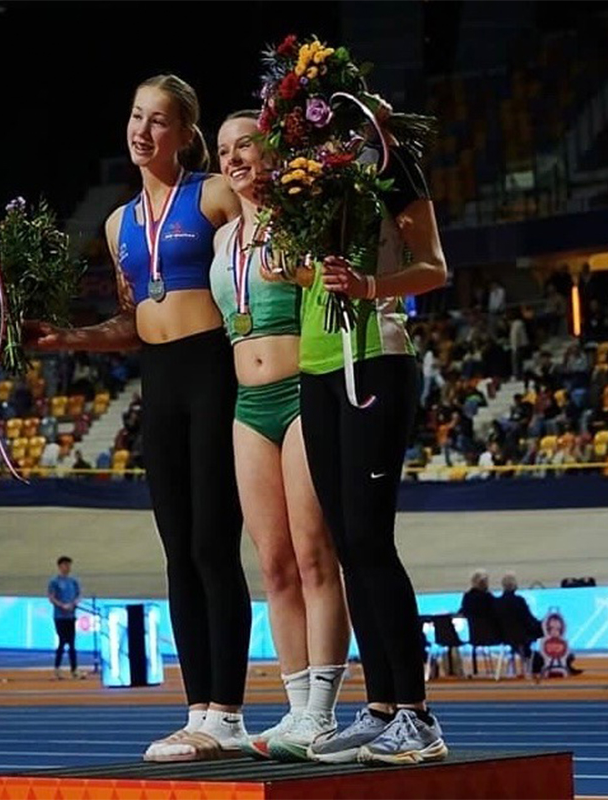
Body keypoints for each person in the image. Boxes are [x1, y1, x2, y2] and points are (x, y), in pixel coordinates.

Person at [23, 74, 250, 761]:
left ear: (185, 134)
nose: (141, 130)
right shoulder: (119, 223)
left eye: (158, 120)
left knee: (214, 544)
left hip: (214, 371)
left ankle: (230, 714)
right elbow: (131, 319)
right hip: (159, 381)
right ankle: (198, 710)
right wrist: (68, 339)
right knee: (178, 551)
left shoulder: (214, 193)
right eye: (134, 116)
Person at [297, 112, 449, 765]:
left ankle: (418, 716)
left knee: (369, 540)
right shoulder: (302, 187)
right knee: (345, 548)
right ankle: (381, 706)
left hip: (377, 360)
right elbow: (305, 278)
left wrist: (368, 287)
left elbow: (434, 267)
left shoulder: (389, 169)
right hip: (317, 368)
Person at [211, 111, 350, 762]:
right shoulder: (221, 243)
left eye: (246, 145)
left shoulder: (300, 221)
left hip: (301, 394)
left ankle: (322, 713)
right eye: (223, 151)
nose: (235, 158)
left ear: (272, 153)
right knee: (271, 565)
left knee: (314, 554)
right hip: (247, 404)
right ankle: (295, 713)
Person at [47, 556, 84, 680]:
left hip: (71, 616)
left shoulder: (73, 581)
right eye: (65, 565)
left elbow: (79, 595)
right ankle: (57, 669)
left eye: (69, 565)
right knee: (62, 642)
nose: (67, 567)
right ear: (60, 566)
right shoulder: (54, 581)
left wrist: (73, 604)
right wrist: (62, 605)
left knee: (72, 644)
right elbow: (51, 597)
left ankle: (74, 670)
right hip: (60, 617)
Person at [494, 572, 542, 664]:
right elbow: (528, 620)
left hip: (504, 636)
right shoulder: (519, 601)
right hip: (521, 635)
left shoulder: (497, 602)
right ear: (515, 585)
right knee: (544, 629)